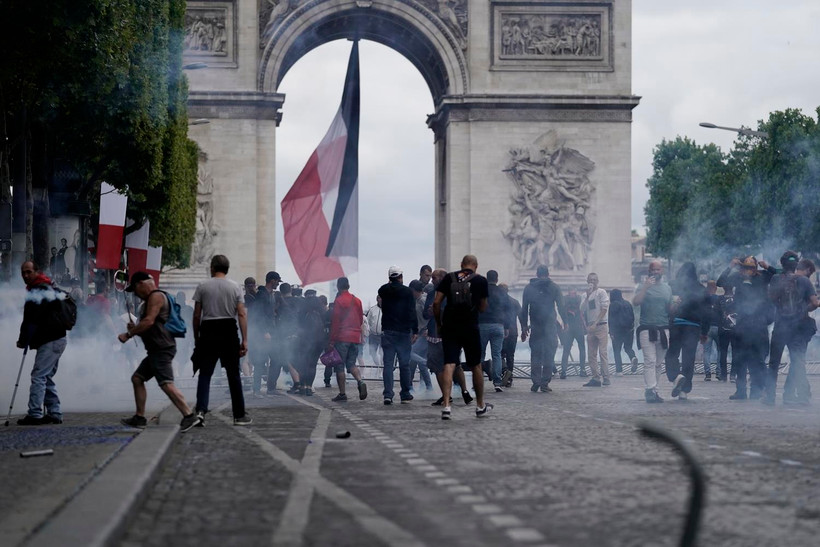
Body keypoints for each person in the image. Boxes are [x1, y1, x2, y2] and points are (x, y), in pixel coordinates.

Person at [118, 272, 201, 431]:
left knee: (166, 384)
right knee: (137, 378)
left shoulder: (156, 297)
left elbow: (149, 321)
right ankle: (140, 418)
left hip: (161, 348)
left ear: (141, 283)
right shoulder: (152, 298)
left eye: (135, 289)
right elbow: (150, 325)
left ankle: (189, 415)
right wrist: (135, 329)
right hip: (157, 348)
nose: (135, 293)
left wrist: (128, 334)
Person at [192, 254, 252, 425]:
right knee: (234, 375)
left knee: (205, 374)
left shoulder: (202, 286)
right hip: (228, 330)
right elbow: (241, 314)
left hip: (208, 330)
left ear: (212, 267)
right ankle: (239, 415)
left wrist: (197, 338)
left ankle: (201, 411)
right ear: (227, 269)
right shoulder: (235, 287)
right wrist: (245, 340)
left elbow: (197, 316)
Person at [434, 255, 492, 420]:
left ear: (461, 265)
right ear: (476, 266)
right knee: (476, 366)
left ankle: (446, 405)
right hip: (470, 327)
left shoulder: (449, 277)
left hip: (450, 326)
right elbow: (482, 307)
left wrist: (439, 324)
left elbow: (436, 303)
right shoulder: (480, 281)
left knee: (449, 364)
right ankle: (480, 406)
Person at [15, 261, 68, 425]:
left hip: (51, 339)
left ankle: (35, 413)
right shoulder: (46, 286)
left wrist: (23, 340)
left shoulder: (40, 289)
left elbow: (31, 319)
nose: (25, 275)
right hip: (56, 338)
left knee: (38, 376)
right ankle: (54, 412)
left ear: (37, 271)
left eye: (29, 272)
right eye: (23, 272)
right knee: (46, 376)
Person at [764, 251, 819, 406]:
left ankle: (769, 397)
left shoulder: (775, 279)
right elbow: (815, 303)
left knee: (774, 364)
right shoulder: (804, 281)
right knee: (797, 362)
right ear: (796, 265)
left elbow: (771, 299)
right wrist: (802, 309)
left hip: (781, 326)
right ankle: (799, 397)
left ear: (782, 264)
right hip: (797, 328)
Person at [717, 256, 775, 400]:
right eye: (746, 268)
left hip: (758, 326)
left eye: (751, 268)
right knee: (740, 359)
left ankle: (757, 390)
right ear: (742, 268)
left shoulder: (763, 277)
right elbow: (720, 282)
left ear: (756, 268)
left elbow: (778, 276)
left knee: (758, 360)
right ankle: (741, 391)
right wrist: (730, 266)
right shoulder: (737, 277)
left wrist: (767, 267)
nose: (748, 271)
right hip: (742, 325)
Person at [426, 268, 474, 407]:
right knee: (448, 364)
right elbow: (425, 313)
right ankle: (455, 393)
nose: (432, 280)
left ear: (442, 278)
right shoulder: (432, 293)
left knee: (443, 365)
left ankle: (456, 394)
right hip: (440, 334)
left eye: (434, 278)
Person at [665, 263, 711, 400]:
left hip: (676, 325)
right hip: (693, 327)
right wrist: (704, 332)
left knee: (671, 354)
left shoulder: (673, 285)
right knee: (688, 359)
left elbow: (666, 304)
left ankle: (676, 376)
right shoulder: (701, 289)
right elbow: (707, 313)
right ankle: (684, 391)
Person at [520, 265, 566, 393]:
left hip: (535, 326)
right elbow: (561, 306)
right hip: (550, 325)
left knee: (535, 354)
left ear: (537, 274)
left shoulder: (529, 288)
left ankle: (536, 382)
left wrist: (524, 327)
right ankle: (545, 383)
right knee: (549, 354)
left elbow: (524, 309)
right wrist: (565, 322)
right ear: (548, 274)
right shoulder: (554, 287)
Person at [633, 261, 672, 403]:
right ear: (649, 271)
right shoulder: (643, 287)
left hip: (663, 329)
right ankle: (650, 390)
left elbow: (669, 310)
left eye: (658, 269)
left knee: (658, 363)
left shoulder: (667, 289)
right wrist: (645, 288)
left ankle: (654, 390)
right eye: (653, 269)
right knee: (650, 361)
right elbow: (636, 302)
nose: (655, 272)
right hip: (646, 329)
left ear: (662, 271)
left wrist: (676, 305)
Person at [378, 266, 419, 404]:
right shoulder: (408, 292)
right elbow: (412, 312)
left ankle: (388, 395)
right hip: (403, 332)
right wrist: (415, 330)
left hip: (388, 331)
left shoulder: (383, 290)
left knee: (388, 364)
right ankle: (405, 393)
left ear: (389, 277)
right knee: (404, 364)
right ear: (401, 277)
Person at [328, 277, 368, 402]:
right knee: (351, 364)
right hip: (355, 337)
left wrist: (332, 340)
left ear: (339, 287)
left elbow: (335, 322)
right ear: (349, 286)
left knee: (340, 366)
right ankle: (360, 381)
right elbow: (361, 320)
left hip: (342, 337)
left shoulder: (339, 301)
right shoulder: (357, 300)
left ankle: (342, 393)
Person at [478, 270, 509, 392]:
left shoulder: (481, 291)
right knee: (497, 354)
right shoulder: (502, 292)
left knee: (480, 354)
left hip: (482, 325)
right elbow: (508, 310)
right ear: (497, 279)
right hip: (498, 325)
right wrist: (506, 326)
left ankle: (478, 381)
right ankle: (497, 382)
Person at [581, 272, 610, 387]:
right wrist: (588, 296)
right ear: (587, 282)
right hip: (591, 327)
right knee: (591, 354)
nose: (592, 282)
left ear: (597, 281)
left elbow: (604, 309)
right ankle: (595, 377)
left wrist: (596, 322)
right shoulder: (585, 295)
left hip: (601, 325)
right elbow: (582, 309)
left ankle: (606, 377)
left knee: (603, 353)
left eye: (594, 280)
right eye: (590, 280)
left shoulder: (601, 292)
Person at [409, 279, 433, 392]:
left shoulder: (424, 300)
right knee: (413, 361)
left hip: (424, 334)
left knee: (415, 357)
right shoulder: (416, 300)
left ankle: (428, 387)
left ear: (414, 290)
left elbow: (431, 315)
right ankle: (411, 386)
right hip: (417, 333)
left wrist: (428, 329)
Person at [608, 289, 638, 375]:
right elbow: (633, 317)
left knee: (617, 350)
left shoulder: (613, 304)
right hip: (629, 330)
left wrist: (611, 332)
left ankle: (619, 370)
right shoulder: (627, 303)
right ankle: (633, 357)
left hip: (617, 331)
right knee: (628, 348)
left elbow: (611, 319)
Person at [559, 289, 586, 378]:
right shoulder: (566, 302)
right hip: (570, 328)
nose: (573, 295)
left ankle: (582, 369)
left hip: (577, 327)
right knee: (567, 350)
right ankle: (563, 371)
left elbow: (583, 313)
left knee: (581, 348)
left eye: (574, 293)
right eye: (571, 293)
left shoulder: (578, 301)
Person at [499, 283, 521, 387]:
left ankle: (504, 372)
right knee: (510, 356)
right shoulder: (515, 302)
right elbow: (521, 317)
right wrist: (524, 329)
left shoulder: (497, 302)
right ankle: (509, 379)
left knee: (499, 354)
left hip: (501, 331)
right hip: (513, 332)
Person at [700, 281, 721, 380]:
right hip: (718, 327)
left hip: (706, 328)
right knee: (720, 350)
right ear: (715, 289)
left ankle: (708, 374)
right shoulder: (719, 299)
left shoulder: (703, 299)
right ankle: (719, 373)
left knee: (706, 351)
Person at [365, 296, 383, 367]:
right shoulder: (372, 309)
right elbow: (367, 321)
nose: (381, 300)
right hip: (373, 335)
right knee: (372, 353)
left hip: (383, 336)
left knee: (383, 353)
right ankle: (378, 365)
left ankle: (382, 368)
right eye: (379, 298)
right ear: (377, 299)